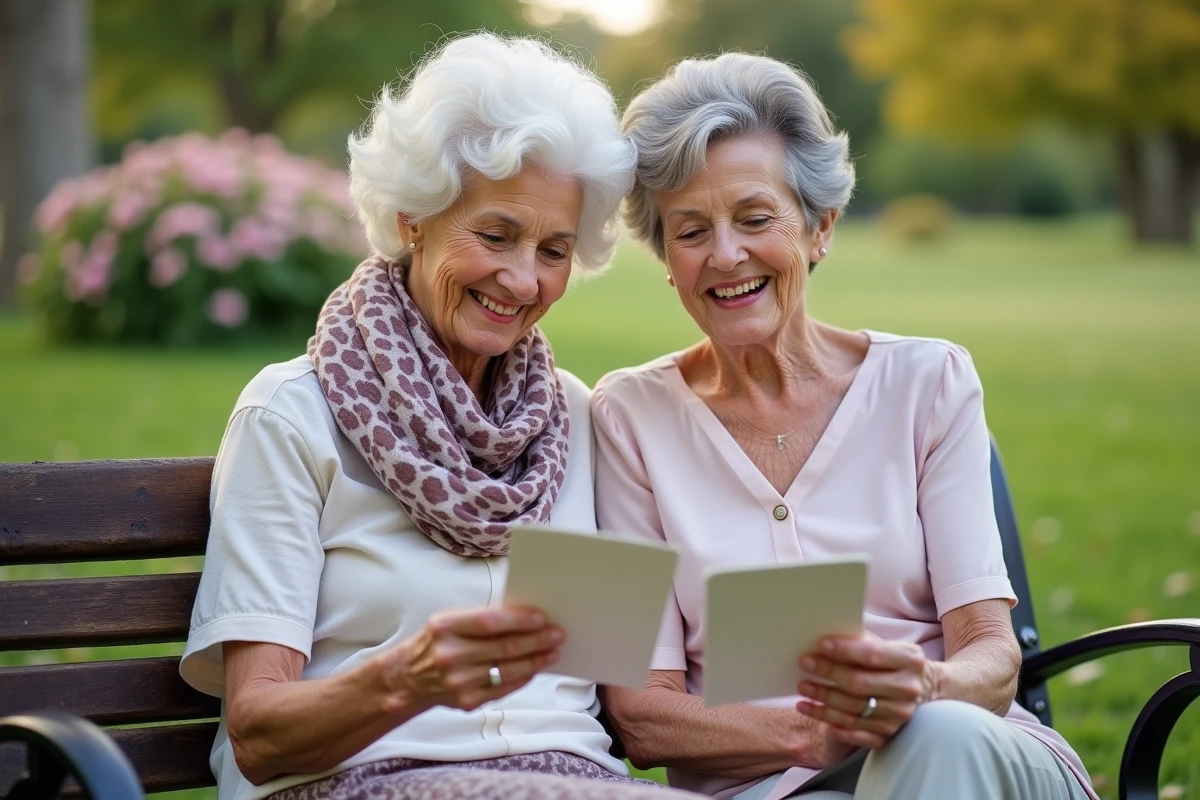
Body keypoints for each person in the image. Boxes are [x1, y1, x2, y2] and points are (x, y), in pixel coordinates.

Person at [180, 33, 690, 800]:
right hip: (356, 782)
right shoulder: (293, 416)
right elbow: (256, 733)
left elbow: (624, 687)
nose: (522, 279)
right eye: (495, 235)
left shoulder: (579, 419)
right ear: (413, 215)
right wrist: (404, 679)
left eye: (554, 250)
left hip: (575, 780)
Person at [591, 53, 1097, 800]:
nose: (725, 254)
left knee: (938, 734)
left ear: (819, 228)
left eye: (756, 218)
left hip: (975, 757)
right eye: (690, 230)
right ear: (666, 256)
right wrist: (811, 738)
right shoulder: (622, 417)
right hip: (771, 790)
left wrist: (920, 689)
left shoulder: (931, 382)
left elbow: (992, 657)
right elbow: (640, 717)